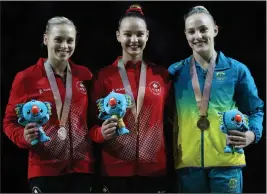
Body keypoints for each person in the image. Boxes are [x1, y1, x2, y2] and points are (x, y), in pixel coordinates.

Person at [168, 6, 264, 193]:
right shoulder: (176, 72)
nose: (198, 36)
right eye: (191, 31)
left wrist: (252, 135)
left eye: (203, 29)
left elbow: (256, 110)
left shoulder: (236, 70)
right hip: (188, 165)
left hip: (227, 164)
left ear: (215, 30)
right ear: (186, 35)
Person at [87, 4, 174, 193]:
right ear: (118, 35)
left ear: (147, 36)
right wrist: (101, 133)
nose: (134, 40)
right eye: (127, 34)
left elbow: (173, 119)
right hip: (114, 173)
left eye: (139, 34)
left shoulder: (162, 76)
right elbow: (88, 126)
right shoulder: (103, 77)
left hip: (154, 171)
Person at [3, 16, 94, 193]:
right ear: (46, 39)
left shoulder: (85, 75)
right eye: (58, 39)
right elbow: (9, 122)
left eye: (70, 40)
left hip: (83, 170)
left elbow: (92, 118)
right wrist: (23, 136)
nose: (64, 46)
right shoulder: (26, 78)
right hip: (45, 171)